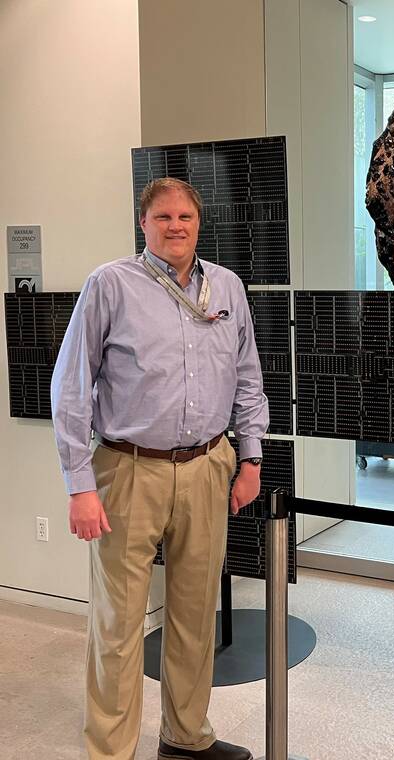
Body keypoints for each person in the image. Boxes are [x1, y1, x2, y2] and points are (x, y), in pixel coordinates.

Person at [52, 177, 268, 760]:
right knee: (119, 627)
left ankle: (185, 735)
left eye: (186, 217)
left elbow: (247, 376)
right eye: (164, 217)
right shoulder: (111, 285)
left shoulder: (227, 286)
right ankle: (111, 752)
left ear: (200, 223)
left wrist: (250, 458)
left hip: (206, 466)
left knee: (196, 614)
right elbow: (71, 387)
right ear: (142, 224)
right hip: (128, 470)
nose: (177, 226)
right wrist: (80, 487)